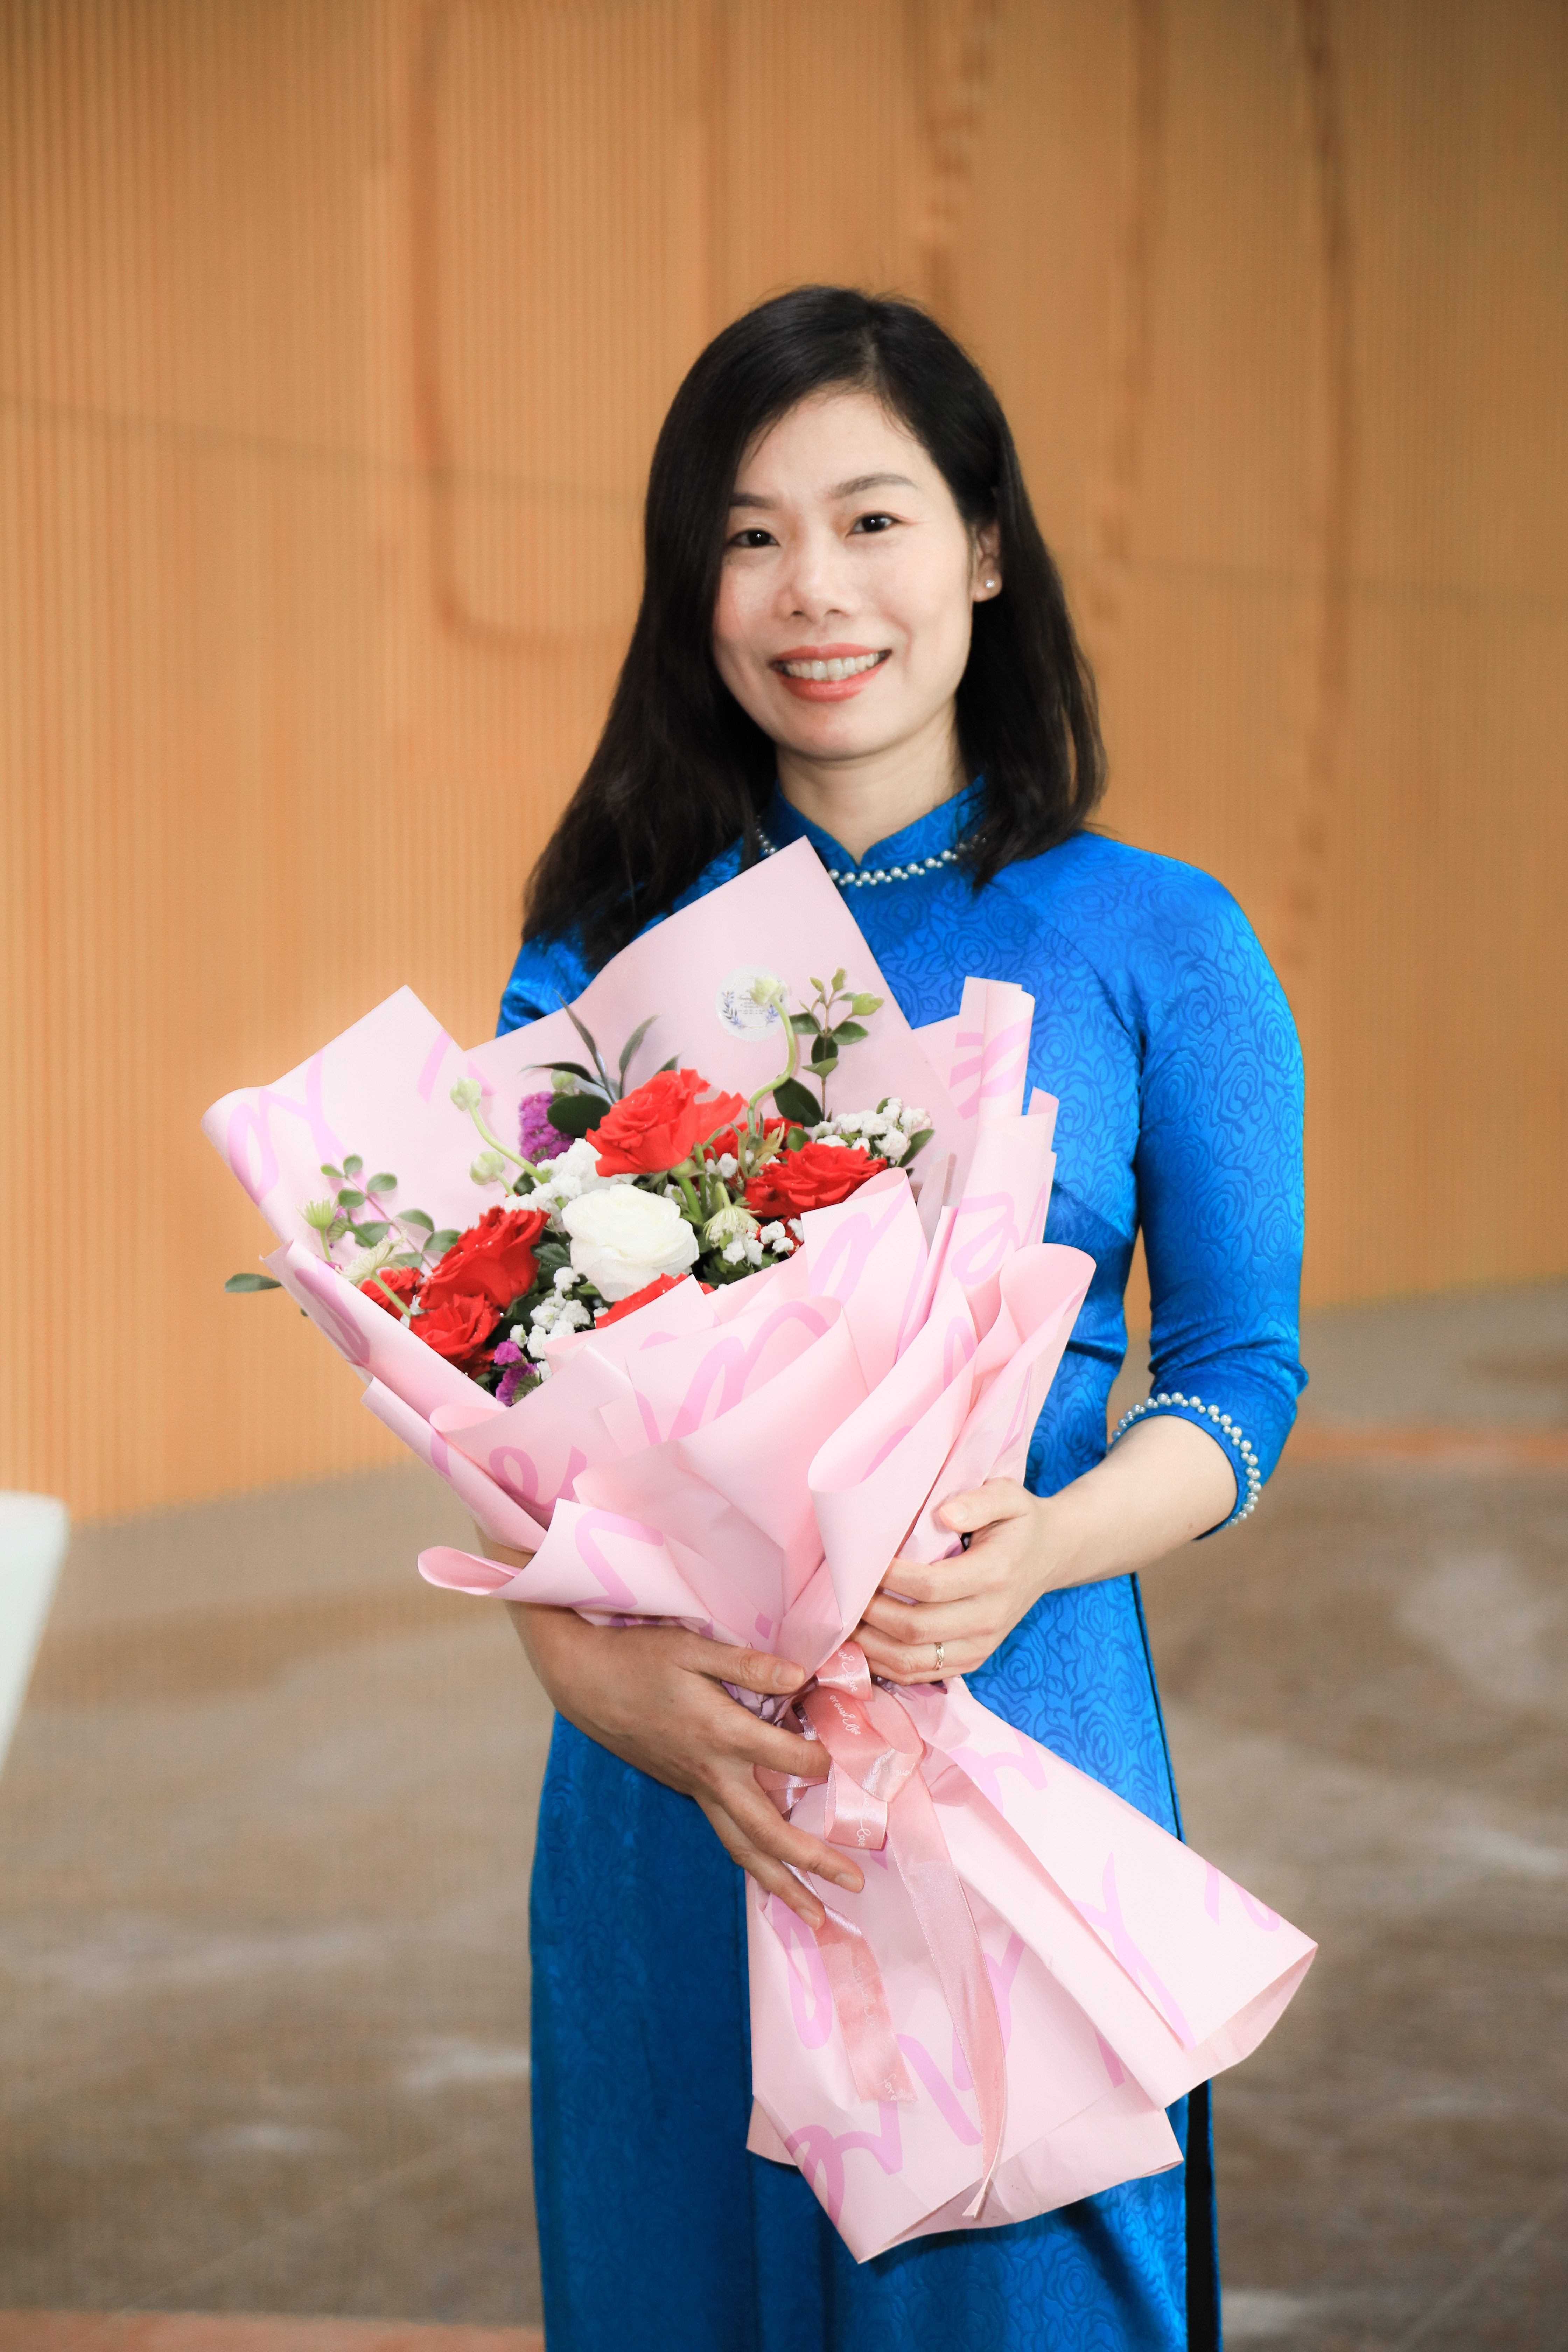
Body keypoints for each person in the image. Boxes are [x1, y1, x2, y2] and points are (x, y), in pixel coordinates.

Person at [492, 286, 1304, 2351]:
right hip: (681, 1780)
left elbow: (1240, 1377)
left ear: (987, 549)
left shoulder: (1158, 937)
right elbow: (506, 1396)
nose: (814, 590)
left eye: (872, 521)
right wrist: (589, 1676)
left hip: (1014, 1726)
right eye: (749, 536)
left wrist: (1044, 1542)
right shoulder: (605, 948)